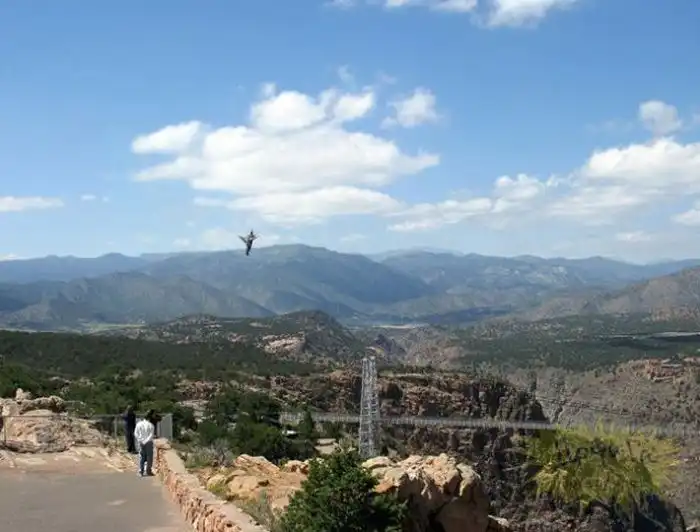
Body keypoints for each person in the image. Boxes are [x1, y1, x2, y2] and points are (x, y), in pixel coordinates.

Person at [134, 409, 156, 477]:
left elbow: (135, 433)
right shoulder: (151, 425)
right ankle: (148, 471)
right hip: (148, 442)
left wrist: (140, 440)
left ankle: (141, 471)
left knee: (141, 457)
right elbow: (151, 435)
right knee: (149, 457)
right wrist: (146, 441)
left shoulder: (138, 424)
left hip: (140, 442)